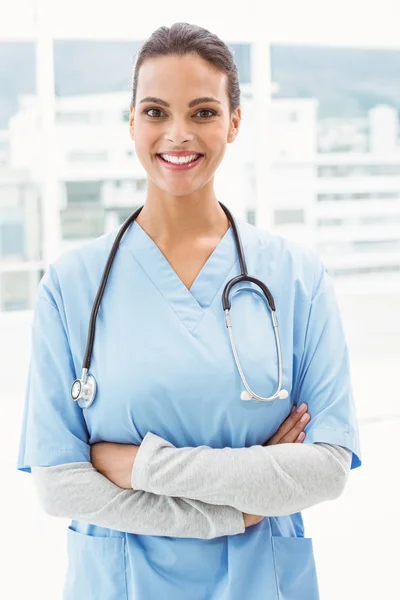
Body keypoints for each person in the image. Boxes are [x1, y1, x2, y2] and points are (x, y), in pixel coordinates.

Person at [17, 22, 361, 600]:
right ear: (131, 121)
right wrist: (231, 511)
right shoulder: (71, 286)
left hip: (263, 583)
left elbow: (324, 468)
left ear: (234, 122)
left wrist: (140, 465)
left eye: (202, 112)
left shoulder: (297, 278)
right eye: (156, 111)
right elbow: (60, 485)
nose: (178, 134)